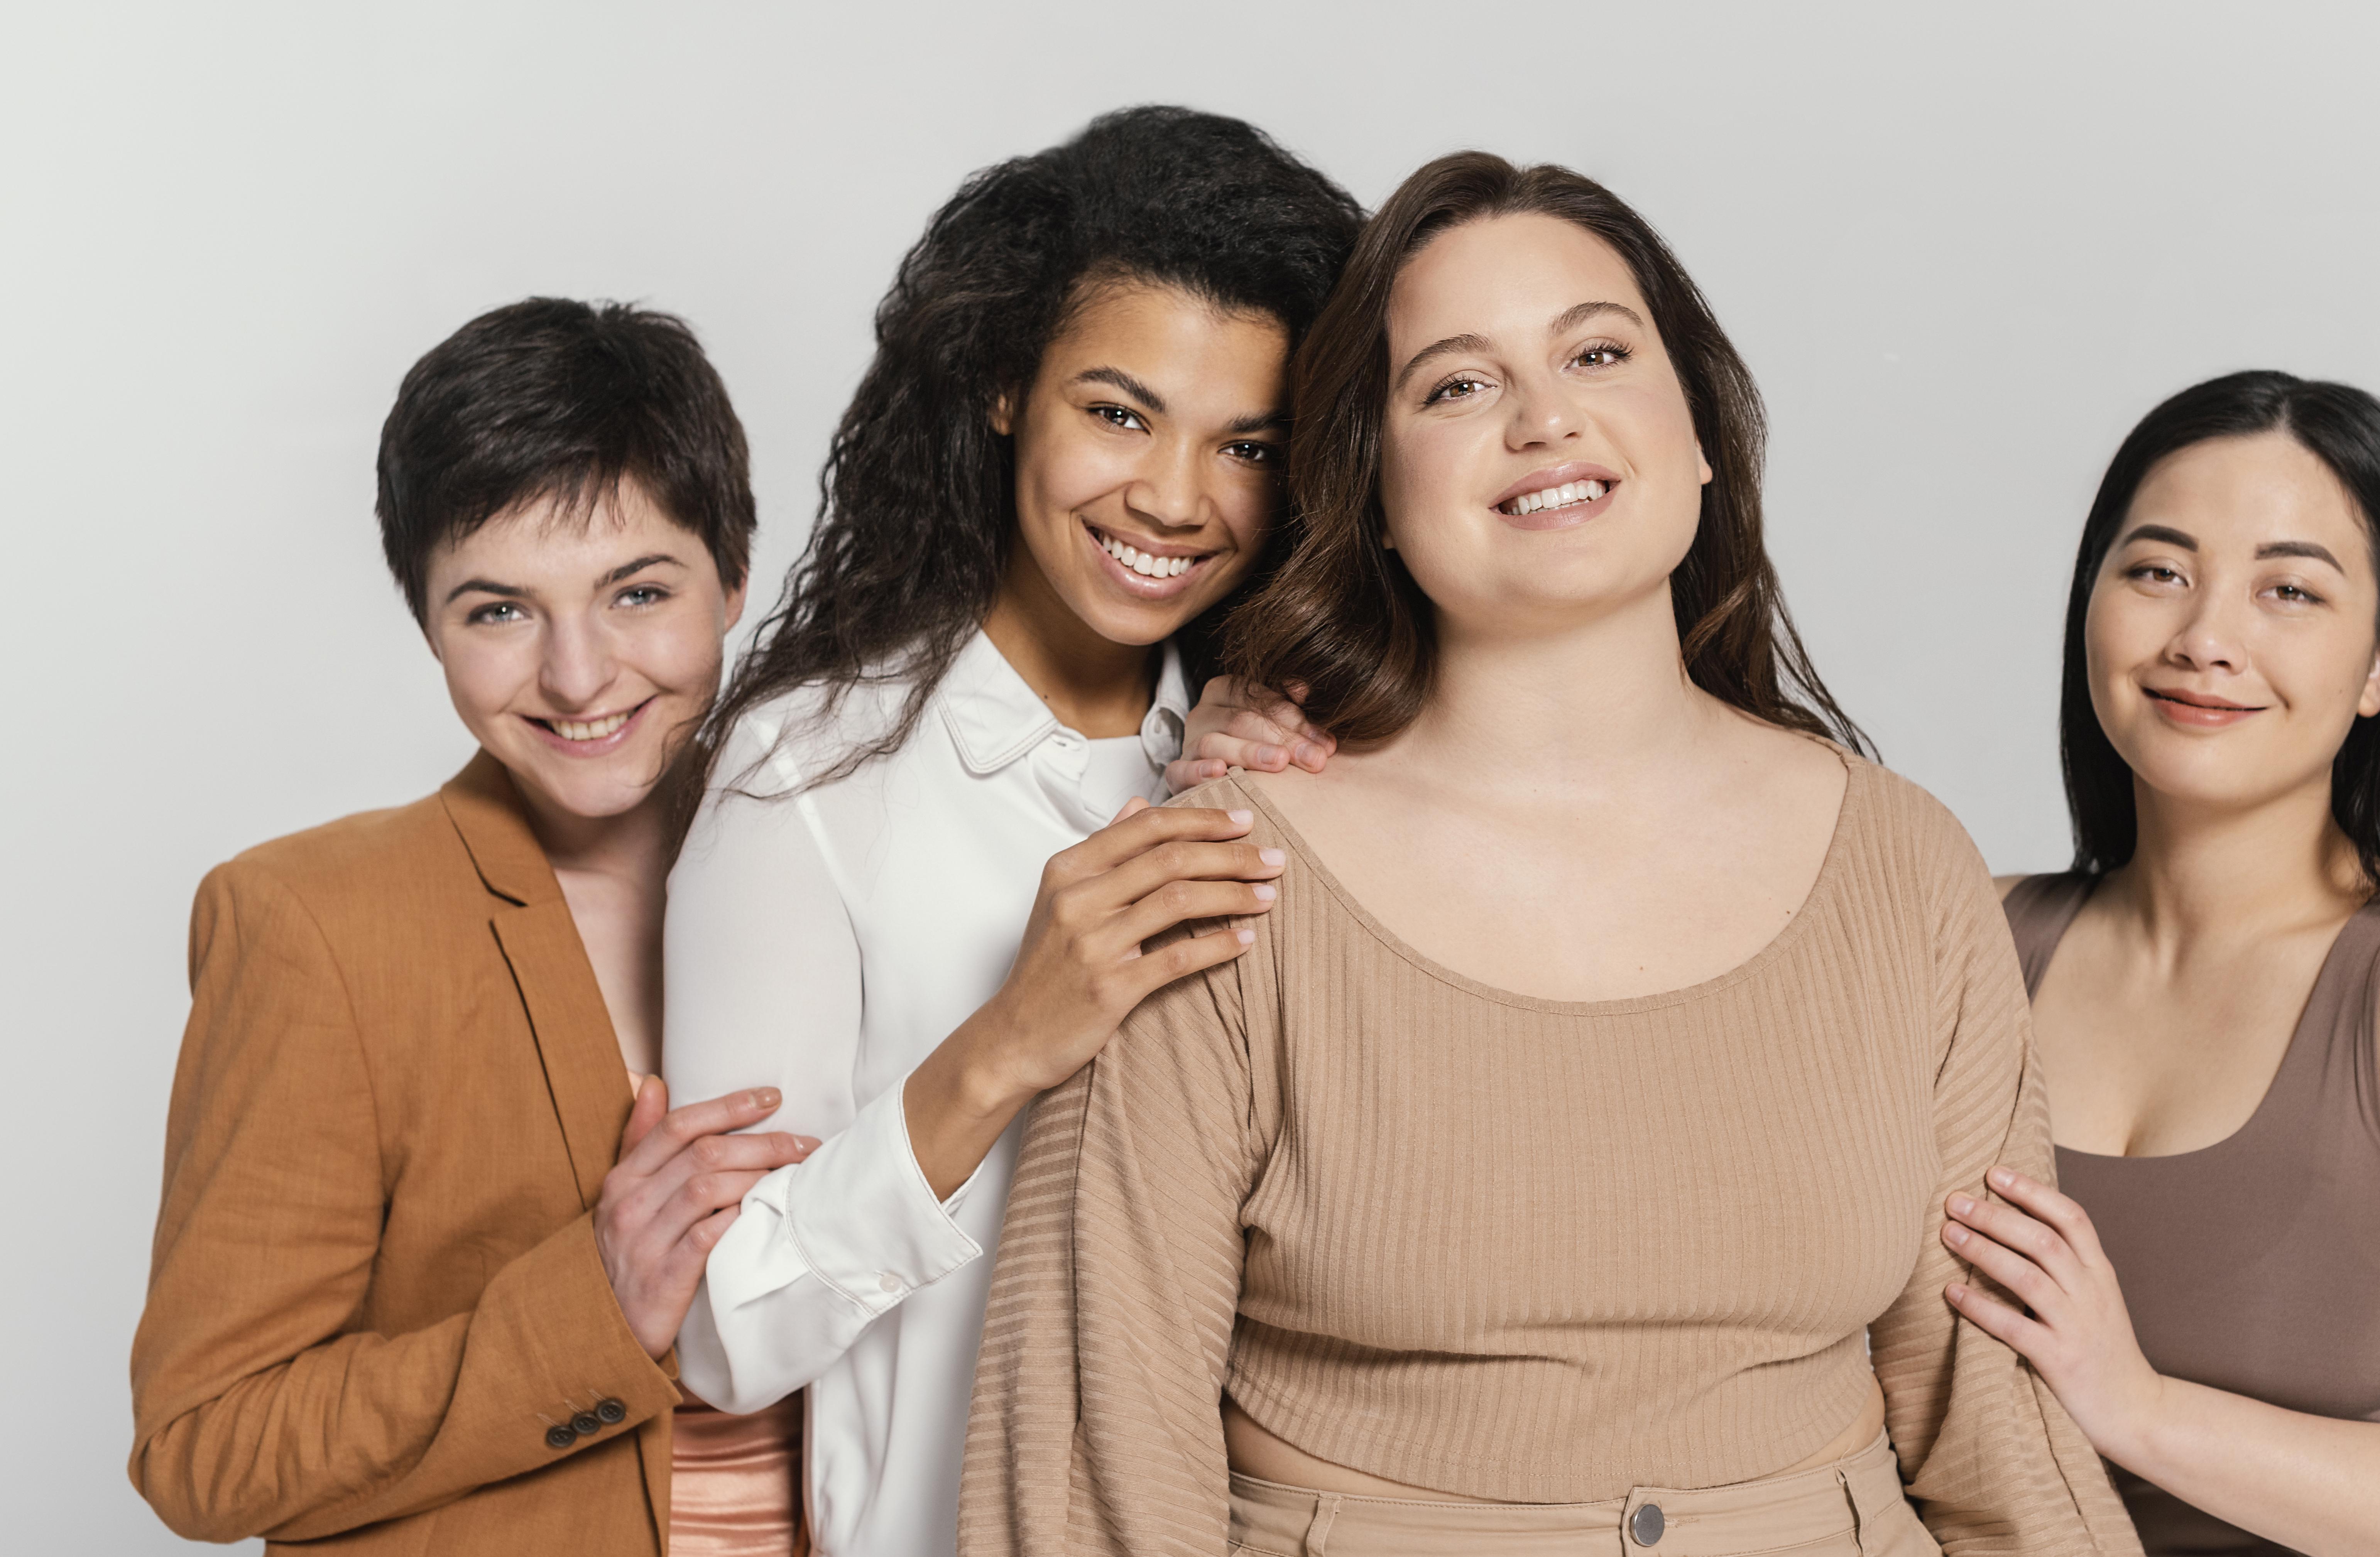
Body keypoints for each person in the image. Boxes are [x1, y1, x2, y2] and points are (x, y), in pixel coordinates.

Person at [960, 152, 2142, 1557]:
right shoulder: (1218, 874)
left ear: (1699, 432)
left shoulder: (1905, 868)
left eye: (1596, 350)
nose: (1545, 416)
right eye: (1457, 385)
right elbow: (1101, 1459)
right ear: (1376, 488)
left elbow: (1996, 1424)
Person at [658, 106, 1362, 1557]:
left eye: (1247, 443)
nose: (1174, 497)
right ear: (999, 389)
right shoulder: (808, 776)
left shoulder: (1313, 750)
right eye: (1119, 411)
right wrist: (1009, 1038)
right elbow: (721, 1327)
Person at [130, 299, 815, 1557]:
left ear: (733, 577)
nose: (576, 674)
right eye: (498, 611)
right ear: (428, 622)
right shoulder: (317, 924)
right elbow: (205, 1446)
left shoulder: (852, 846)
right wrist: (588, 1311)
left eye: (637, 591)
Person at [1940, 373, 2380, 1555]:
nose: (2206, 638)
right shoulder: (1969, 936)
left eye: (2290, 590)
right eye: (2157, 571)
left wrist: (2144, 1409)